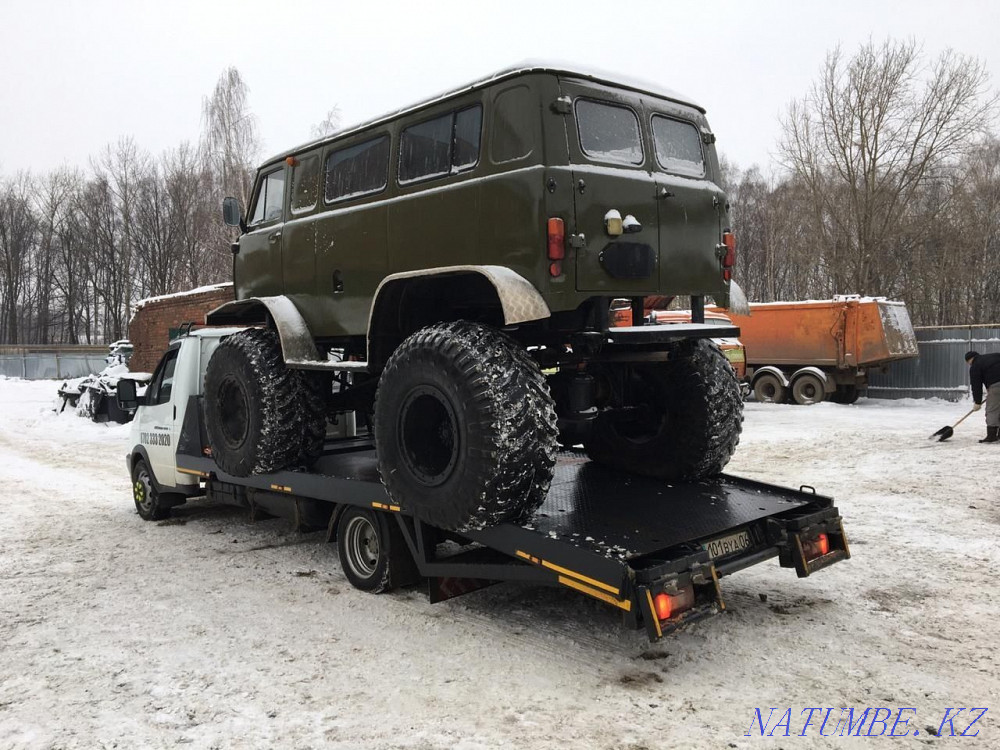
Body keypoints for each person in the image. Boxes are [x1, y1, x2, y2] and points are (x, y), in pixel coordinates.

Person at [966, 350, 1000, 443]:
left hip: (996, 385)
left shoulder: (975, 366)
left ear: (969, 360)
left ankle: (992, 436)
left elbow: (976, 385)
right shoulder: (995, 355)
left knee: (992, 410)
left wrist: (977, 402)